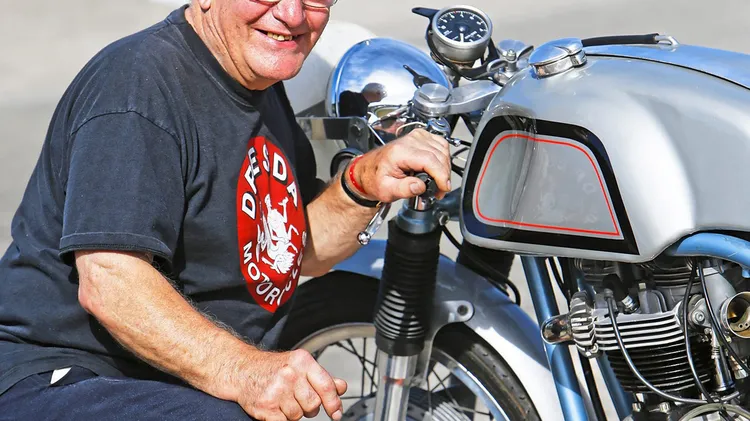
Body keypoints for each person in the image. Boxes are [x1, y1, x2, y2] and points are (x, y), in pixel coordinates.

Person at [0, 0, 451, 420]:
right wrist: (246, 371)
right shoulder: (138, 86)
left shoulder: (256, 81)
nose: (293, 14)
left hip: (170, 382)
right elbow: (112, 282)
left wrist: (362, 184)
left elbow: (293, 250)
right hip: (68, 376)